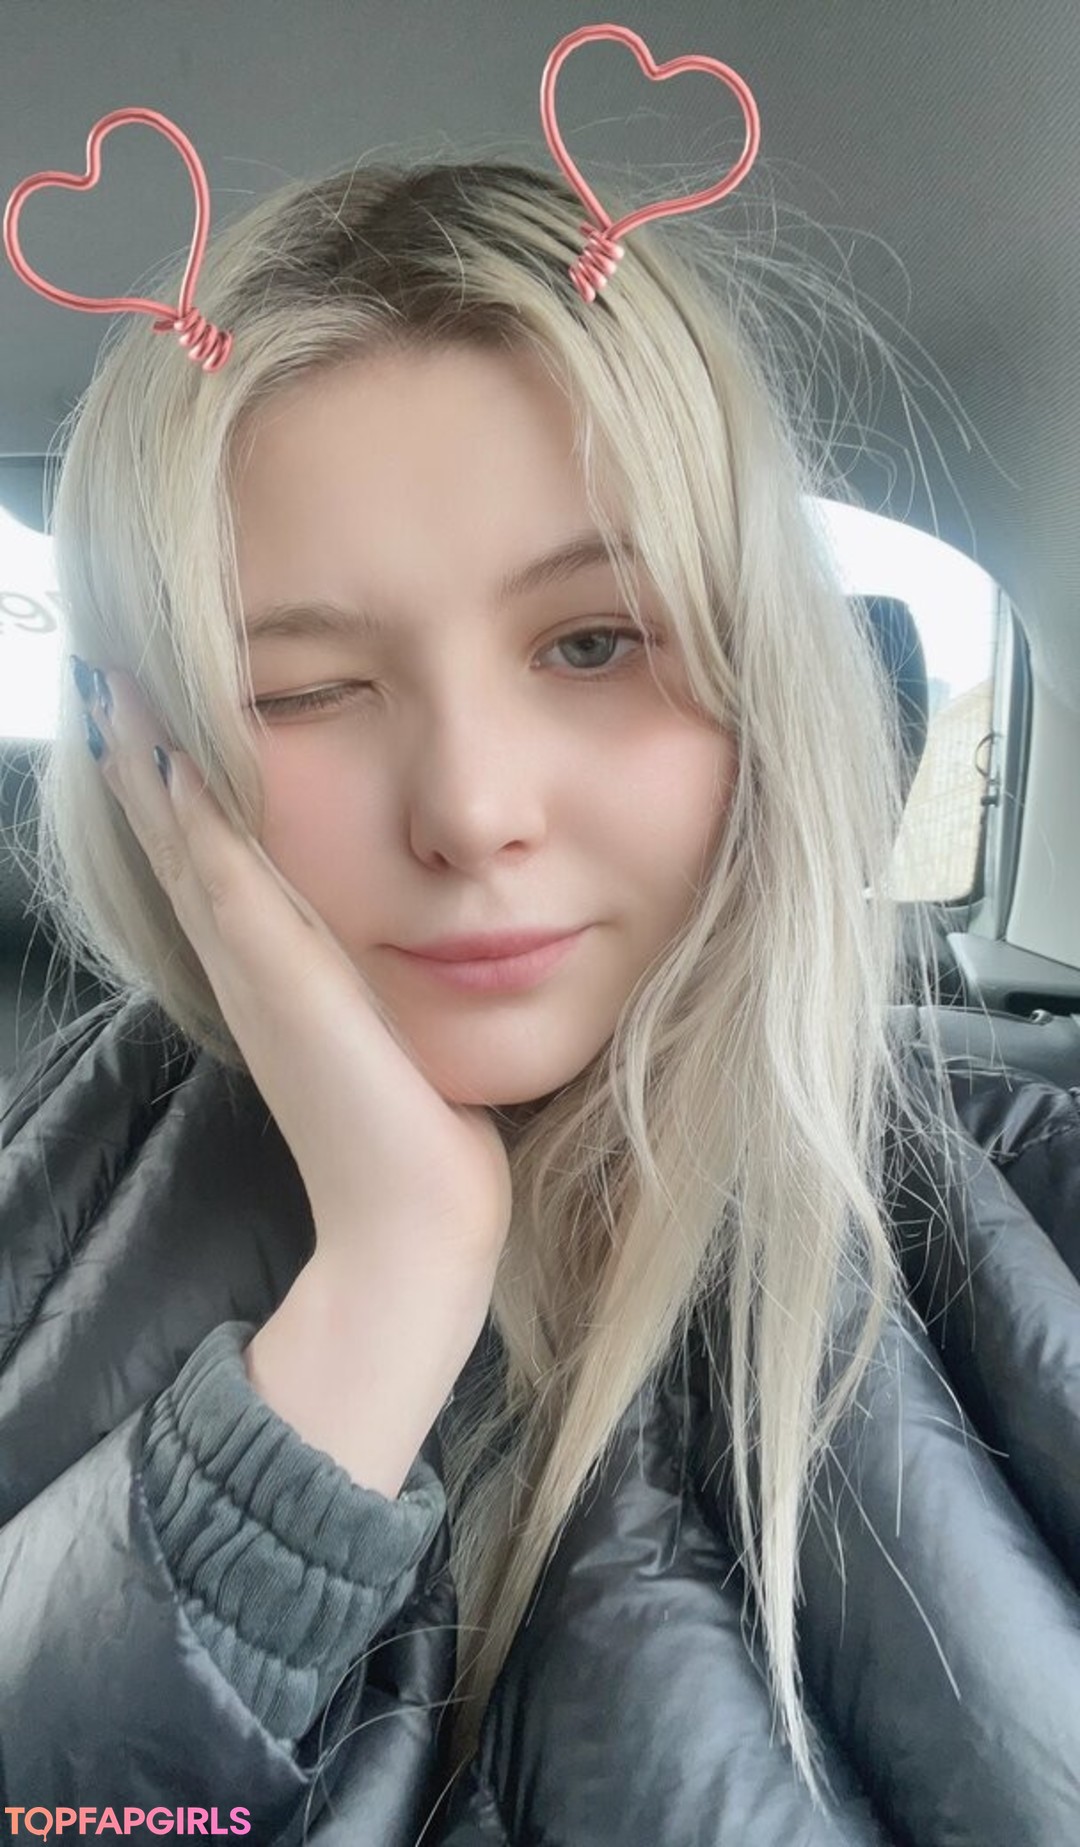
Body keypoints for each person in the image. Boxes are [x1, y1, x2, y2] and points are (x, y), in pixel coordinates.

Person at [2, 128, 1079, 1847]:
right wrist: (390, 1275)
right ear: (148, 748)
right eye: (304, 689)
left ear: (765, 678)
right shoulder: (43, 1185)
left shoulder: (1038, 1196)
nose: (473, 809)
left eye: (593, 643)